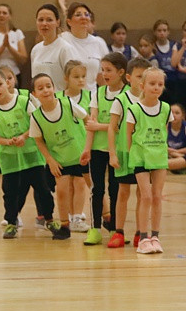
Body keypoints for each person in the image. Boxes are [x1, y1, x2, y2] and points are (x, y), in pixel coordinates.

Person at [0, 68, 57, 238]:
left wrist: (24, 136)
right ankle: (11, 223)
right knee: (10, 193)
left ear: (8, 83)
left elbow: (37, 123)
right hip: (10, 160)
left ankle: (50, 220)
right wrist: (7, 141)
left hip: (32, 156)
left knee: (43, 189)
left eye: (0, 84)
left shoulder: (24, 101)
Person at [29, 73, 88, 241]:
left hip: (80, 155)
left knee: (82, 185)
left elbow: (86, 119)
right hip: (60, 160)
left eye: (48, 86)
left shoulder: (68, 103)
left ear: (54, 88)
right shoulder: (36, 117)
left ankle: (81, 218)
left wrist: (88, 146)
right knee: (61, 192)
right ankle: (64, 225)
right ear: (34, 94)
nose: (46, 90)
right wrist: (50, 160)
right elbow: (39, 141)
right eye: (40, 88)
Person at [83, 52, 127, 245]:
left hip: (118, 150)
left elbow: (120, 126)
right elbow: (91, 123)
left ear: (121, 72)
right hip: (97, 150)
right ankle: (95, 229)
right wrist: (86, 148)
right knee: (97, 189)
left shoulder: (128, 95)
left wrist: (100, 126)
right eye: (103, 70)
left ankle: (117, 229)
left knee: (116, 190)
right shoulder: (98, 93)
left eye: (109, 70)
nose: (104, 74)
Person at [107, 56, 150, 248]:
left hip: (144, 155)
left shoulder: (151, 100)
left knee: (143, 194)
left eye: (146, 78)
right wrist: (113, 153)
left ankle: (140, 233)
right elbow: (111, 127)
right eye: (140, 77)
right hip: (125, 153)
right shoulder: (121, 100)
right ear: (129, 78)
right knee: (123, 193)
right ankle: (118, 232)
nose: (142, 82)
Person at [126, 67, 171, 254]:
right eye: (152, 84)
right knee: (145, 196)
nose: (156, 87)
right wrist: (132, 156)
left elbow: (164, 131)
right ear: (142, 86)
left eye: (160, 84)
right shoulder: (135, 109)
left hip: (159, 157)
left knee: (157, 197)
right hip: (141, 158)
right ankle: (143, 238)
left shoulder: (166, 108)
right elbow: (128, 136)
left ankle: (155, 236)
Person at [61, 59, 92, 232]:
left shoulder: (89, 97)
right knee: (68, 185)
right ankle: (71, 216)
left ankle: (78, 216)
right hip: (64, 149)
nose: (80, 80)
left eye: (83, 76)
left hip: (83, 148)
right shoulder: (58, 98)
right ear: (66, 78)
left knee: (80, 184)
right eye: (76, 77)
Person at [57, 1, 108, 90]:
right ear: (69, 22)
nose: (83, 17)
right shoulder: (61, 40)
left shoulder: (98, 42)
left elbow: (102, 78)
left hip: (91, 98)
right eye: (78, 15)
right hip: (68, 98)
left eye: (86, 14)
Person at [30, 4, 74, 93]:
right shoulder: (35, 50)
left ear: (57, 22)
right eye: (40, 20)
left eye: (49, 20)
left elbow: (72, 83)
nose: (44, 24)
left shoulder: (65, 49)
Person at [0, 3, 28, 84]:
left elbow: (23, 59)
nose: (1, 15)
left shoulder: (17, 33)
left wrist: (9, 47)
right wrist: (3, 46)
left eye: (4, 13)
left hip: (13, 74)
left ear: (10, 16)